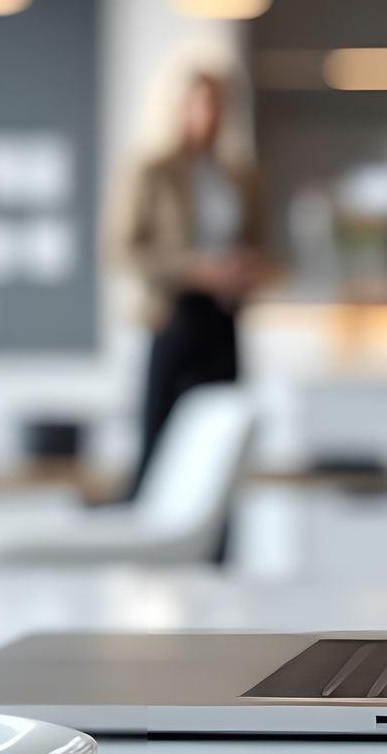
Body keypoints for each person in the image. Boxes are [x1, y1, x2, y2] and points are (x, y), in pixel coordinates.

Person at [108, 57, 270, 494]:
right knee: (161, 448)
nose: (207, 114)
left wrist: (248, 268)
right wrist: (195, 269)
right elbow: (121, 249)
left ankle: (217, 557)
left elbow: (260, 243)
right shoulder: (151, 168)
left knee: (220, 456)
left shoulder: (239, 173)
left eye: (215, 104)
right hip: (174, 316)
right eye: (197, 103)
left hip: (223, 320)